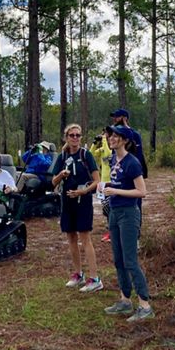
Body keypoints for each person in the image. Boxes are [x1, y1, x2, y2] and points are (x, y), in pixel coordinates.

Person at [103, 124, 153, 321]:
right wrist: (106, 187)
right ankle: (125, 301)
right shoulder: (115, 158)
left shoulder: (132, 162)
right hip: (114, 212)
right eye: (110, 135)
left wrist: (115, 191)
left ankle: (145, 305)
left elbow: (142, 191)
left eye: (116, 136)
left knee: (130, 260)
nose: (111, 138)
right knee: (118, 259)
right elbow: (117, 183)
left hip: (129, 213)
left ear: (125, 140)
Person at [51, 124, 103, 292]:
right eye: (72, 135)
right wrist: (61, 175)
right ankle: (77, 274)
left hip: (83, 201)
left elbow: (97, 180)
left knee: (85, 237)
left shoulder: (86, 155)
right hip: (67, 201)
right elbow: (53, 181)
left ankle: (94, 278)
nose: (75, 138)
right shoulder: (62, 156)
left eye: (78, 135)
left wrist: (83, 191)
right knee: (71, 237)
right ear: (66, 137)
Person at [109, 108, 147, 178]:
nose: (114, 119)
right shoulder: (112, 132)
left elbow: (138, 153)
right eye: (114, 117)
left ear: (125, 118)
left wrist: (138, 169)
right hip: (116, 166)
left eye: (117, 117)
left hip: (129, 167)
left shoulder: (134, 134)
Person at [89, 132, 113, 242]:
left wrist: (104, 139)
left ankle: (113, 232)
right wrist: (95, 143)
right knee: (106, 210)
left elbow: (108, 154)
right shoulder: (103, 149)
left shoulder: (113, 150)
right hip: (102, 183)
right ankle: (110, 232)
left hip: (111, 183)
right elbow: (91, 155)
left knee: (112, 209)